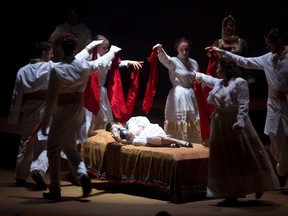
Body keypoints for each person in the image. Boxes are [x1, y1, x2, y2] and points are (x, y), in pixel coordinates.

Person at [40, 35, 121, 201]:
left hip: (63, 110)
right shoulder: (83, 65)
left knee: (53, 148)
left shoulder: (57, 68)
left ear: (62, 49)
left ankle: (55, 189)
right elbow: (100, 63)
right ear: (75, 49)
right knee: (70, 146)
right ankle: (82, 173)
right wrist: (112, 52)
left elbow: (51, 98)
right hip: (78, 109)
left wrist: (45, 121)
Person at [206, 27, 288, 188]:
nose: (267, 47)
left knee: (285, 141)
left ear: (279, 42)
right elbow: (246, 61)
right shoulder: (267, 58)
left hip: (286, 106)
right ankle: (282, 166)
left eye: (269, 44)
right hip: (273, 105)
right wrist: (222, 53)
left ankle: (282, 170)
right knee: (275, 143)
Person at [195, 58, 279, 206]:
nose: (217, 69)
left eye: (219, 67)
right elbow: (207, 79)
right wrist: (195, 74)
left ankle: (258, 184)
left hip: (234, 123)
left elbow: (243, 103)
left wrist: (240, 121)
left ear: (227, 68)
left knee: (243, 155)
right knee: (225, 158)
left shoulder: (240, 82)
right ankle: (230, 192)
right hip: (221, 123)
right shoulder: (220, 83)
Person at [8, 41, 56, 190]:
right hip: (45, 108)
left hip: (29, 107)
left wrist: (14, 118)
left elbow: (17, 96)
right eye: (51, 53)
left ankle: (21, 176)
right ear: (44, 53)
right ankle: (38, 170)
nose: (52, 55)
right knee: (44, 142)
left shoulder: (22, 70)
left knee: (26, 141)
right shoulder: (51, 66)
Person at [78, 34, 143, 139]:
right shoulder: (89, 59)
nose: (106, 49)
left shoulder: (105, 58)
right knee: (89, 116)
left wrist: (129, 62)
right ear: (96, 47)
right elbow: (101, 64)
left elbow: (114, 64)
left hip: (101, 91)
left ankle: (102, 135)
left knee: (104, 117)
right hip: (90, 91)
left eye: (107, 47)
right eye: (104, 47)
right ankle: (85, 136)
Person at [152, 38, 202, 144]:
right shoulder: (174, 61)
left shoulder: (193, 63)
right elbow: (166, 60)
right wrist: (160, 50)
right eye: (181, 50)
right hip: (179, 94)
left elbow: (198, 77)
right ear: (177, 49)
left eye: (186, 50)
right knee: (180, 120)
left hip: (191, 94)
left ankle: (194, 142)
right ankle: (179, 141)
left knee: (192, 118)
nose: (184, 52)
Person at [212, 15, 255, 84]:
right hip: (221, 80)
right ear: (223, 27)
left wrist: (248, 79)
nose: (228, 27)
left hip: (238, 80)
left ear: (234, 27)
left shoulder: (242, 43)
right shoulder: (217, 43)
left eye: (231, 25)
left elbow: (247, 63)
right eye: (226, 25)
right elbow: (213, 63)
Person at [105, 116, 193, 148]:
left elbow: (145, 120)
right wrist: (119, 139)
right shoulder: (127, 137)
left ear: (120, 124)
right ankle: (169, 144)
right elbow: (130, 142)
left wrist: (136, 130)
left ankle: (180, 141)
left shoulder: (131, 121)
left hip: (152, 130)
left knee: (147, 138)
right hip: (149, 140)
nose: (119, 130)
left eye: (117, 128)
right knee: (137, 142)